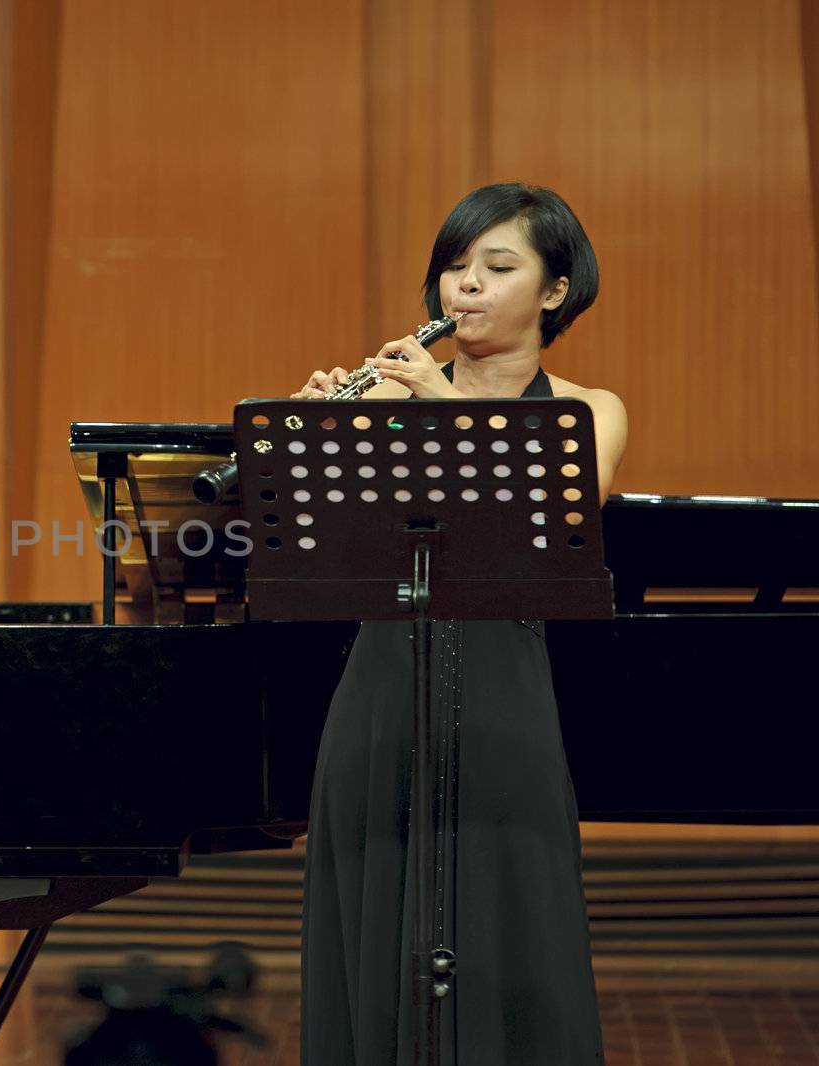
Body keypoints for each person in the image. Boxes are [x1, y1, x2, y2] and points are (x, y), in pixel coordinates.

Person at [292, 183, 628, 1064]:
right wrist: (317, 437)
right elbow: (306, 548)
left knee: (508, 916)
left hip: (503, 697)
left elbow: (554, 518)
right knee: (373, 926)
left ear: (554, 292)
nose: (464, 286)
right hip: (379, 691)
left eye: (496, 266)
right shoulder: (390, 402)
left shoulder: (589, 409)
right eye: (453, 267)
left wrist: (441, 409)